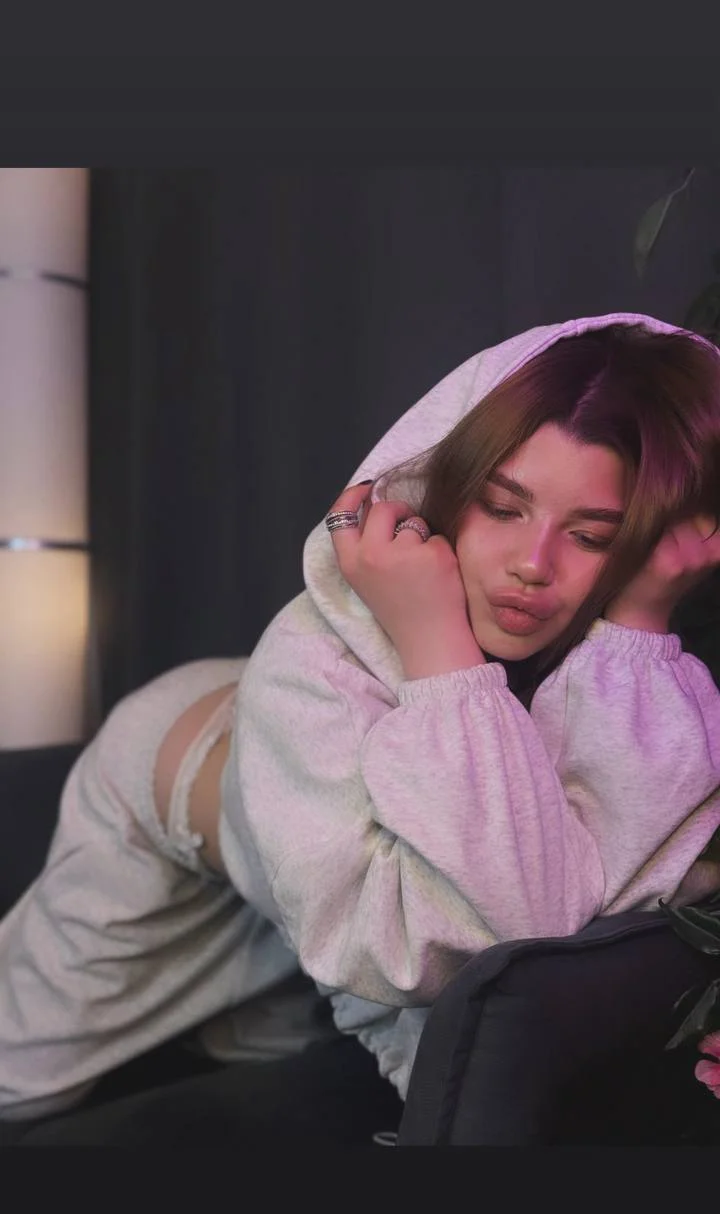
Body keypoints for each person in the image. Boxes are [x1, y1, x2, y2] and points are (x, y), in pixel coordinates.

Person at [2, 309, 720, 1124]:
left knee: (269, 1029)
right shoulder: (308, 671)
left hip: (310, 805)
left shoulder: (623, 646)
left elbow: (621, 902)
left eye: (592, 536)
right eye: (502, 507)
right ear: (446, 488)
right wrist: (440, 647)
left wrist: (639, 630)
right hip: (179, 767)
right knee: (18, 1078)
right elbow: (505, 941)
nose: (533, 564)